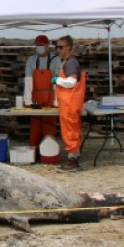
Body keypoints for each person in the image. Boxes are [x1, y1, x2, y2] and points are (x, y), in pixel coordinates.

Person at [23, 35, 60, 155]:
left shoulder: (56, 60)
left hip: (50, 96)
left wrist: (56, 102)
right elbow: (28, 80)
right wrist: (28, 101)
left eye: (42, 45)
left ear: (47, 45)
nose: (39, 48)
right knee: (35, 127)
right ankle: (33, 153)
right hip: (36, 98)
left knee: (49, 126)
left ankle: (49, 153)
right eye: (37, 45)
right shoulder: (31, 60)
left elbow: (57, 82)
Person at [53, 35, 87, 172]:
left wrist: (57, 80)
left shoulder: (71, 62)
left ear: (69, 47)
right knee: (73, 129)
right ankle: (74, 156)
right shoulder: (68, 61)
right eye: (57, 47)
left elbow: (71, 81)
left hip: (70, 102)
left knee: (70, 131)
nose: (58, 50)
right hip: (69, 102)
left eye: (61, 47)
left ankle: (72, 159)